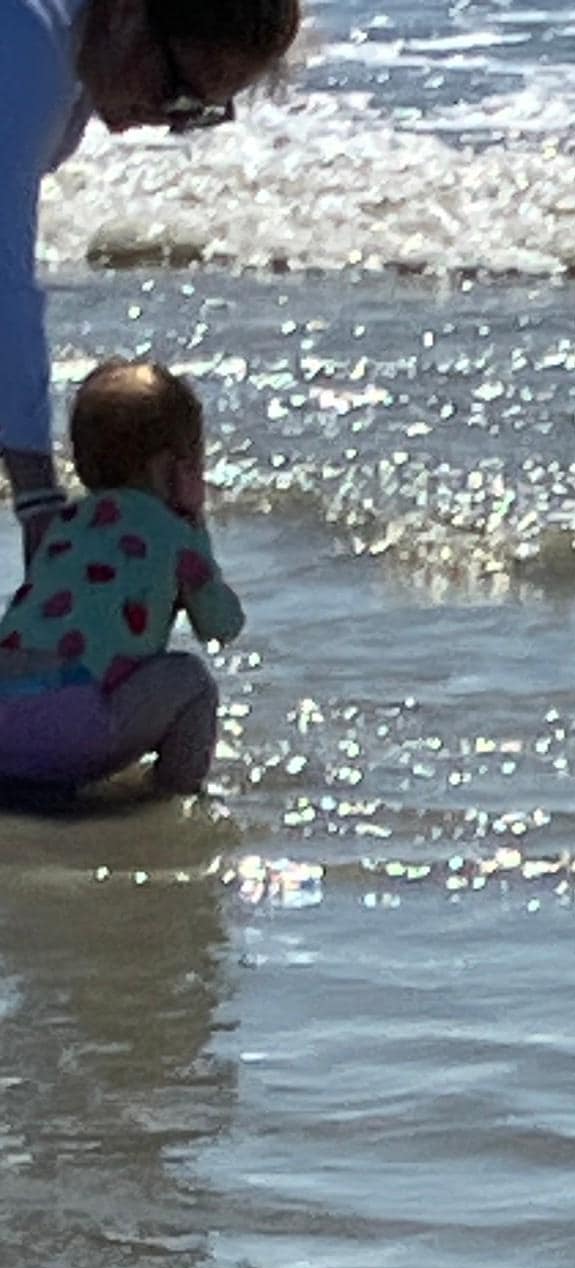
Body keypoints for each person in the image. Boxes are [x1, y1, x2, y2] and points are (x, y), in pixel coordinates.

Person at [2, 0, 299, 561]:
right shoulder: (26, 48)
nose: (168, 117)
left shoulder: (74, 68)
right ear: (126, 13)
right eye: (178, 90)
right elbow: (3, 290)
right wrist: (38, 498)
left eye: (200, 111)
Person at [0, 355, 244, 793]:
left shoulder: (65, 524)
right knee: (192, 682)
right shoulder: (175, 534)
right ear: (170, 467)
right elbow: (222, 625)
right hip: (73, 724)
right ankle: (167, 796)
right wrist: (197, 525)